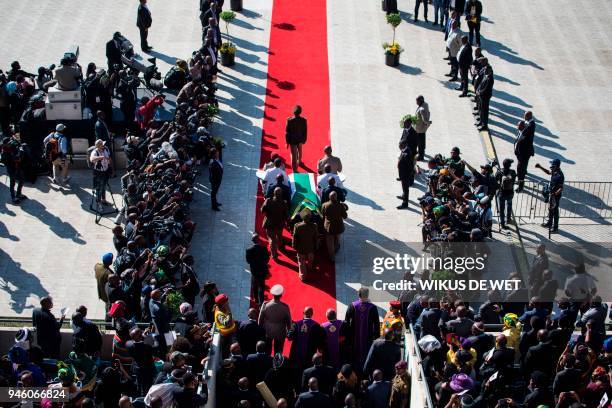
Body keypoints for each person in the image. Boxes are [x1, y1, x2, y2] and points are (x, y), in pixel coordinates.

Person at [344, 287, 380, 374]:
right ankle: (365, 371)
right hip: (368, 336)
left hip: (354, 337)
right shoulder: (373, 307)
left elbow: (346, 321)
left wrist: (348, 335)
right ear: (367, 295)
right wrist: (376, 337)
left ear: (358, 295)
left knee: (354, 355)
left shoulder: (352, 306)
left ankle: (355, 371)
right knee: (367, 354)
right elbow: (376, 324)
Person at [289, 307, 326, 372]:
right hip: (309, 356)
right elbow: (320, 341)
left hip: (295, 355)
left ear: (303, 313)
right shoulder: (316, 326)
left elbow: (289, 337)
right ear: (312, 314)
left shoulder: (296, 324)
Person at [259, 284, 292, 354]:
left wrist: (261, 329)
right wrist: (289, 330)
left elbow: (260, 319)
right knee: (278, 351)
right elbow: (289, 321)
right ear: (281, 295)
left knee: (267, 349)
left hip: (268, 330)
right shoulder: (285, 307)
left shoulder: (265, 304)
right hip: (280, 331)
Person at [535, 158, 564, 232]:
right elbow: (548, 172)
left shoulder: (560, 175)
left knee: (555, 211)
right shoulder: (554, 172)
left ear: (557, 166)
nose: (552, 168)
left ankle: (555, 228)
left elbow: (561, 188)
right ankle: (549, 223)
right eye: (552, 166)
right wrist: (540, 167)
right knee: (550, 210)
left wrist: (554, 194)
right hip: (552, 194)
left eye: (553, 166)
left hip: (556, 196)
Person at [261, 187, 288, 260]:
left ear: (274, 193)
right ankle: (279, 247)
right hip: (279, 224)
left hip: (269, 224)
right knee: (279, 237)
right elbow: (285, 215)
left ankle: (274, 255)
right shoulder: (284, 203)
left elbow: (262, 210)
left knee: (272, 240)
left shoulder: (268, 201)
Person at [292, 209, 318, 281]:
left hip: (301, 248)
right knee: (310, 260)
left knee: (301, 262)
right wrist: (316, 246)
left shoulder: (297, 226)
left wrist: (294, 246)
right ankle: (310, 268)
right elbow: (316, 238)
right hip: (311, 247)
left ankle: (303, 276)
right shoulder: (314, 226)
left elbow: (295, 237)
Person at [321, 191, 348, 262]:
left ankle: (332, 257)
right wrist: (344, 209)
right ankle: (336, 248)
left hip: (328, 227)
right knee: (337, 239)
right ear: (336, 197)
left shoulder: (324, 205)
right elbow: (345, 217)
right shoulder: (340, 206)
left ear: (329, 197)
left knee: (330, 243)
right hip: (339, 227)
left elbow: (322, 215)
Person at [245, 233, 270, 305]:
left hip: (254, 270)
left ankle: (256, 299)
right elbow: (267, 259)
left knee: (255, 285)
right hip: (262, 270)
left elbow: (248, 261)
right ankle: (261, 302)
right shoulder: (264, 248)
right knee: (261, 286)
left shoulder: (249, 250)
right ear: (259, 240)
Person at [1, 134, 26, 204]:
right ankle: (13, 197)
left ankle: (18, 194)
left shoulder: (12, 147)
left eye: (10, 142)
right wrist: (14, 159)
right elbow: (5, 162)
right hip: (11, 169)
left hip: (17, 166)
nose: (10, 143)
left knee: (21, 180)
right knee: (12, 183)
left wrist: (19, 153)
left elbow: (18, 150)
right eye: (9, 143)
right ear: (5, 144)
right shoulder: (4, 153)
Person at [514, 111, 536, 192]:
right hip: (521, 152)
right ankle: (523, 173)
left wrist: (522, 129)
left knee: (520, 169)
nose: (517, 127)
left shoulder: (529, 128)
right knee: (523, 166)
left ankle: (521, 185)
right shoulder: (524, 128)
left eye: (519, 126)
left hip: (524, 152)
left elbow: (522, 138)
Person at [285, 105, 308, 172]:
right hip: (300, 139)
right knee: (300, 151)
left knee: (293, 154)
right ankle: (299, 161)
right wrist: (304, 140)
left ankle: (294, 170)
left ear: (293, 112)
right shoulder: (304, 120)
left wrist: (287, 142)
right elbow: (305, 131)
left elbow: (287, 132)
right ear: (300, 112)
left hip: (292, 140)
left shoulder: (289, 120)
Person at [495, 158, 517, 228]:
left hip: (502, 193)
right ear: (510, 165)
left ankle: (502, 223)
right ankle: (508, 219)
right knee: (509, 205)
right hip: (510, 193)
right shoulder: (513, 172)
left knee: (501, 209)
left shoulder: (499, 171)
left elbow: (496, 180)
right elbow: (513, 182)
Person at [90, 139, 112, 205]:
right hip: (98, 172)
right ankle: (98, 202)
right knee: (98, 188)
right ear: (99, 146)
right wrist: (100, 157)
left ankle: (103, 200)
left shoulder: (105, 150)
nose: (104, 146)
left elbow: (109, 158)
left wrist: (110, 166)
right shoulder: (95, 152)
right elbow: (92, 159)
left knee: (104, 186)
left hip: (105, 171)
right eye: (102, 145)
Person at [475, 60, 494, 131]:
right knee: (480, 109)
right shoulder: (486, 76)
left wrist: (480, 92)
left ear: (489, 71)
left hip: (485, 96)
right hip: (481, 95)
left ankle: (484, 125)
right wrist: (478, 90)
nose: (484, 71)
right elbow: (481, 84)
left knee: (484, 111)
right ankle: (481, 121)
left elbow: (486, 88)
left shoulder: (490, 78)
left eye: (486, 70)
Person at [397, 141, 415, 209]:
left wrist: (408, 175)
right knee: (404, 188)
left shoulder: (407, 153)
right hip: (403, 174)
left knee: (405, 189)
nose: (399, 146)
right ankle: (403, 196)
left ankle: (405, 203)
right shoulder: (404, 150)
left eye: (400, 145)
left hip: (405, 175)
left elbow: (410, 166)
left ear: (404, 145)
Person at [414, 95, 431, 160]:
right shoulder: (425, 104)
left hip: (420, 129)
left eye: (417, 101)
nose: (416, 103)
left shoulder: (422, 109)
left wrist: (428, 123)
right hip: (422, 128)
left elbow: (425, 120)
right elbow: (429, 113)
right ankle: (420, 152)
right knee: (420, 142)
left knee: (420, 143)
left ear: (421, 101)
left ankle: (421, 156)